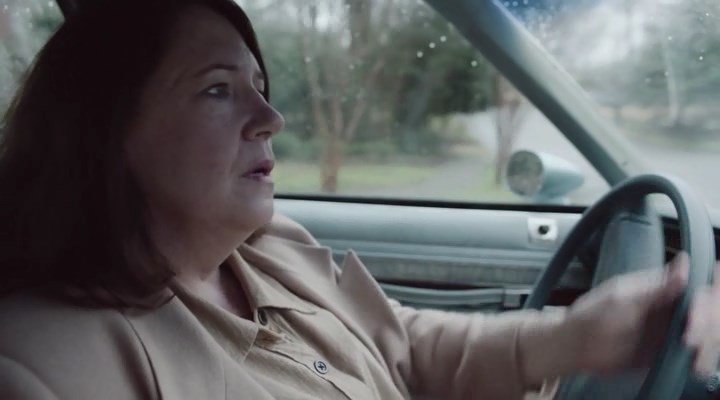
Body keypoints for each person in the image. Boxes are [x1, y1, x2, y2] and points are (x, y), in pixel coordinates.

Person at [0, 0, 718, 399]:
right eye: (218, 90)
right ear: (104, 133)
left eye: (260, 87)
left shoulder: (270, 247)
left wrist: (573, 337)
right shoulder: (44, 364)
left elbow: (401, 346)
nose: (270, 117)